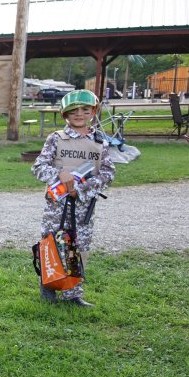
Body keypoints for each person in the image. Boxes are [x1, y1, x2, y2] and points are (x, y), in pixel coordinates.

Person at [32, 89, 115, 307]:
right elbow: (39, 167)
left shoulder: (101, 143)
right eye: (74, 111)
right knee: (52, 245)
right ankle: (49, 287)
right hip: (57, 207)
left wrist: (84, 188)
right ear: (65, 115)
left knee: (78, 248)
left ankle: (72, 293)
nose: (79, 114)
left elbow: (108, 173)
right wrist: (59, 174)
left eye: (85, 110)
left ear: (93, 112)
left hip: (83, 207)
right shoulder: (56, 139)